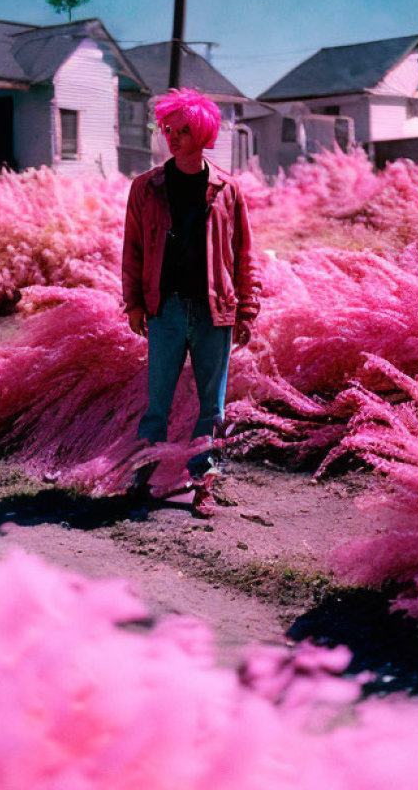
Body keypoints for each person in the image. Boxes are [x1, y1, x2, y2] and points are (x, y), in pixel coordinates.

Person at [121, 88, 261, 517]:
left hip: (214, 310)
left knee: (212, 407)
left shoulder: (227, 190)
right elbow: (132, 251)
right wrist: (134, 305)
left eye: (183, 130)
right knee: (157, 403)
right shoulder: (146, 188)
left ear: (202, 132)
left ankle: (204, 483)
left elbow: (246, 254)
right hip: (165, 309)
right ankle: (142, 478)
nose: (173, 137)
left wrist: (248, 309)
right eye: (168, 129)